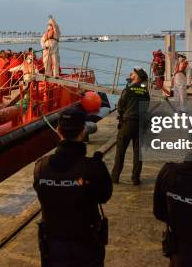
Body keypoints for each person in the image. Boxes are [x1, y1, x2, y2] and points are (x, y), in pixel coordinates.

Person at [34, 107, 112, 267]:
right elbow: (104, 196)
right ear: (83, 131)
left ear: (58, 130)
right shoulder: (93, 168)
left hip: (52, 247)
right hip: (86, 245)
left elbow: (43, 193)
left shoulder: (40, 167)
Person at [111, 67, 150, 185]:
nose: (130, 73)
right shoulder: (145, 91)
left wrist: (123, 116)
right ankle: (135, 178)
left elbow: (120, 106)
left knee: (120, 150)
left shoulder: (128, 89)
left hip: (128, 123)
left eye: (133, 73)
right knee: (138, 152)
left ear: (137, 77)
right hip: (141, 124)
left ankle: (115, 177)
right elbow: (146, 106)